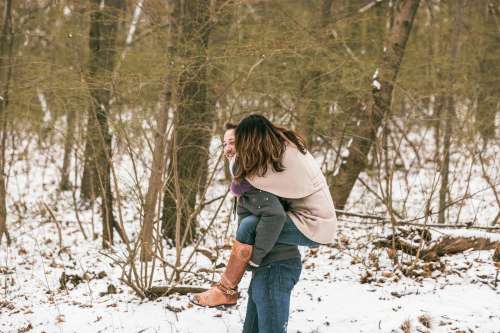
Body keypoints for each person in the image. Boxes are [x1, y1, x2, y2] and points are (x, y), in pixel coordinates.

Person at [191, 123, 319, 307]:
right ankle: (226, 290)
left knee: (249, 224)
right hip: (268, 262)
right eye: (224, 144)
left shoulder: (257, 180)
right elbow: (245, 227)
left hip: (281, 261)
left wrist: (254, 258)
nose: (227, 148)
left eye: (233, 143)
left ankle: (226, 290)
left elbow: (275, 215)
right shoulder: (246, 182)